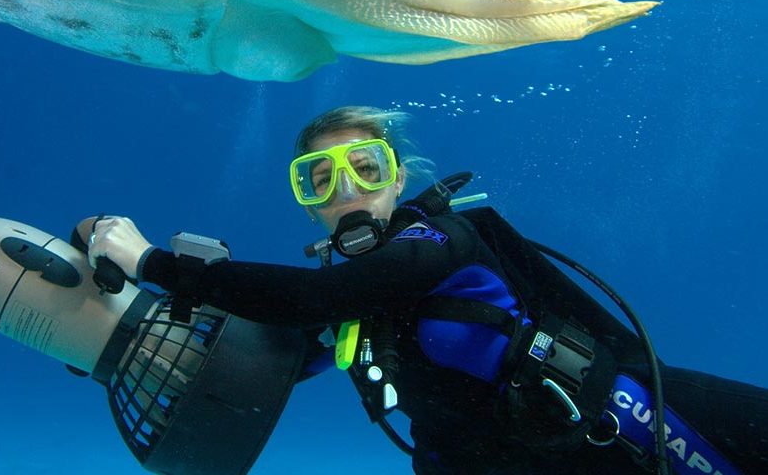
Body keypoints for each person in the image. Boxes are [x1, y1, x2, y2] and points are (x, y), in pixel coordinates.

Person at [86, 106, 768, 475]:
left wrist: (151, 261)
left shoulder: (441, 240)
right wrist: (112, 333)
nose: (347, 190)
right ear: (309, 205)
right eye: (321, 180)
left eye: (365, 168)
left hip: (636, 427)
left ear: (398, 179)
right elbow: (265, 367)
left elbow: (310, 300)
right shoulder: (351, 309)